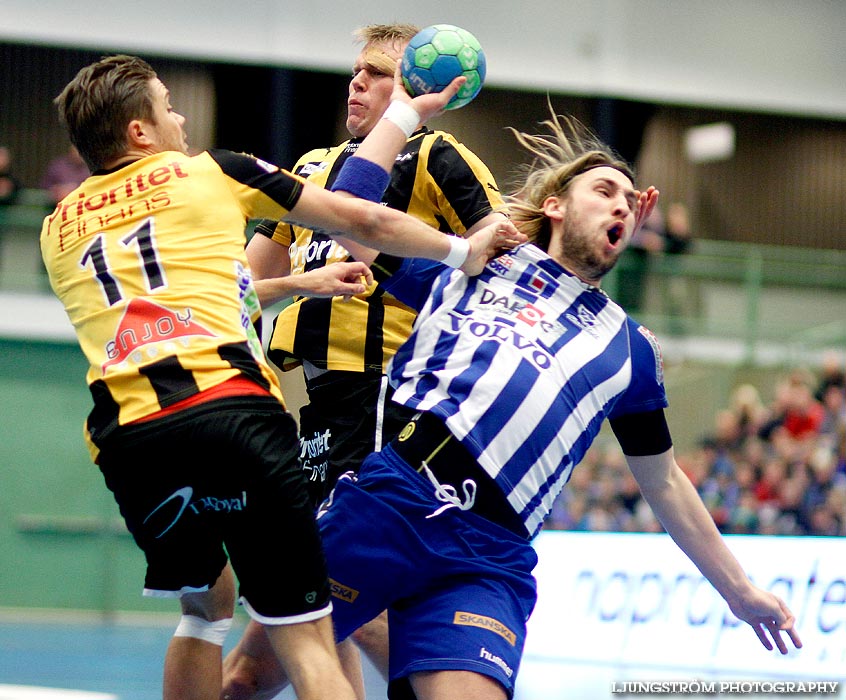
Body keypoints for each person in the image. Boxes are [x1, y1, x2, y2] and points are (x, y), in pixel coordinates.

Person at [222, 108, 802, 700]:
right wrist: (403, 113)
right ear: (555, 205)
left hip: (488, 556)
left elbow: (666, 484)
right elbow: (348, 221)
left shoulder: (631, 350)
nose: (622, 205)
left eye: (630, 200)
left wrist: (740, 591)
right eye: (603, 191)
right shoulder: (477, 260)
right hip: (393, 498)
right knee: (243, 681)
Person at [40, 54, 522, 700]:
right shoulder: (213, 172)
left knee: (204, 612)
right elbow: (362, 217)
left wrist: (301, 283)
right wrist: (462, 252)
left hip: (128, 437)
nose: (180, 117)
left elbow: (198, 298)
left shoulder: (57, 228)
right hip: (231, 414)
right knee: (307, 636)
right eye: (167, 105)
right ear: (139, 132)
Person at [241, 22, 506, 687]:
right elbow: (241, 288)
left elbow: (499, 260)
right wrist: (299, 282)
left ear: (416, 86)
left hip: (376, 385)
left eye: (376, 73)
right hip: (293, 387)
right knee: (315, 590)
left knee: (331, 588)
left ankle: (453, 679)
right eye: (355, 71)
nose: (357, 82)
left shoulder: (437, 156)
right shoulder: (306, 171)